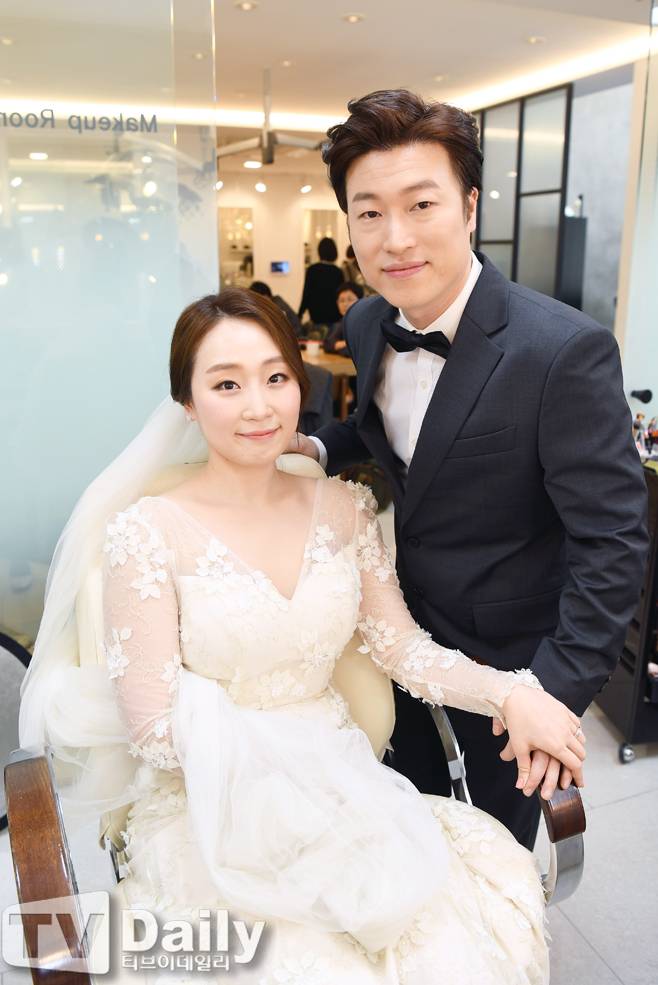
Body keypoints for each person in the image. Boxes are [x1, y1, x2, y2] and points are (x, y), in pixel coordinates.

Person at [19, 288, 589, 983]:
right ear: (188, 402)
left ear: (300, 385)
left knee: (449, 943)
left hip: (346, 784)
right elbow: (152, 730)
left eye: (276, 377)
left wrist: (511, 693)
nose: (258, 406)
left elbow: (400, 647)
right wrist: (287, 786)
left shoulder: (344, 507)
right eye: (226, 384)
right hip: (210, 800)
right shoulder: (146, 532)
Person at [291, 88, 648, 850]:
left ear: (471, 206)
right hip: (395, 634)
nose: (396, 238)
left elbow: (612, 545)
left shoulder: (561, 352)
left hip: (509, 666)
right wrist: (318, 449)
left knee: (484, 859)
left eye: (422, 204)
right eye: (369, 212)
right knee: (395, 829)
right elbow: (384, 429)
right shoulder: (367, 319)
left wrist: (549, 693)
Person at [298, 236, 344, 327]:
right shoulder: (338, 272)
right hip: (334, 314)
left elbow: (306, 293)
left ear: (319, 251)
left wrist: (300, 313)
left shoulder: (312, 270)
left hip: (316, 314)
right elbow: (340, 295)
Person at [324, 281, 364, 354]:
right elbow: (328, 344)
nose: (345, 304)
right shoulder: (340, 323)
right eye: (342, 301)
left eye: (350, 299)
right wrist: (348, 344)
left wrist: (341, 346)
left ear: (362, 301)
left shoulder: (367, 323)